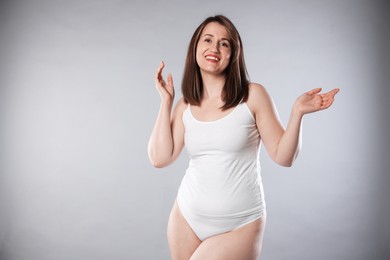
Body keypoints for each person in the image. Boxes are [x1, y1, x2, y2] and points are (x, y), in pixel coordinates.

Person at [148, 15, 339, 260]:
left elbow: (284, 157)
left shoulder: (253, 96)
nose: (214, 48)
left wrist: (297, 113)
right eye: (208, 40)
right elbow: (159, 158)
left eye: (224, 43)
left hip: (240, 224)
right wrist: (166, 102)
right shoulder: (185, 105)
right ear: (195, 47)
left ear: (233, 54)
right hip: (186, 216)